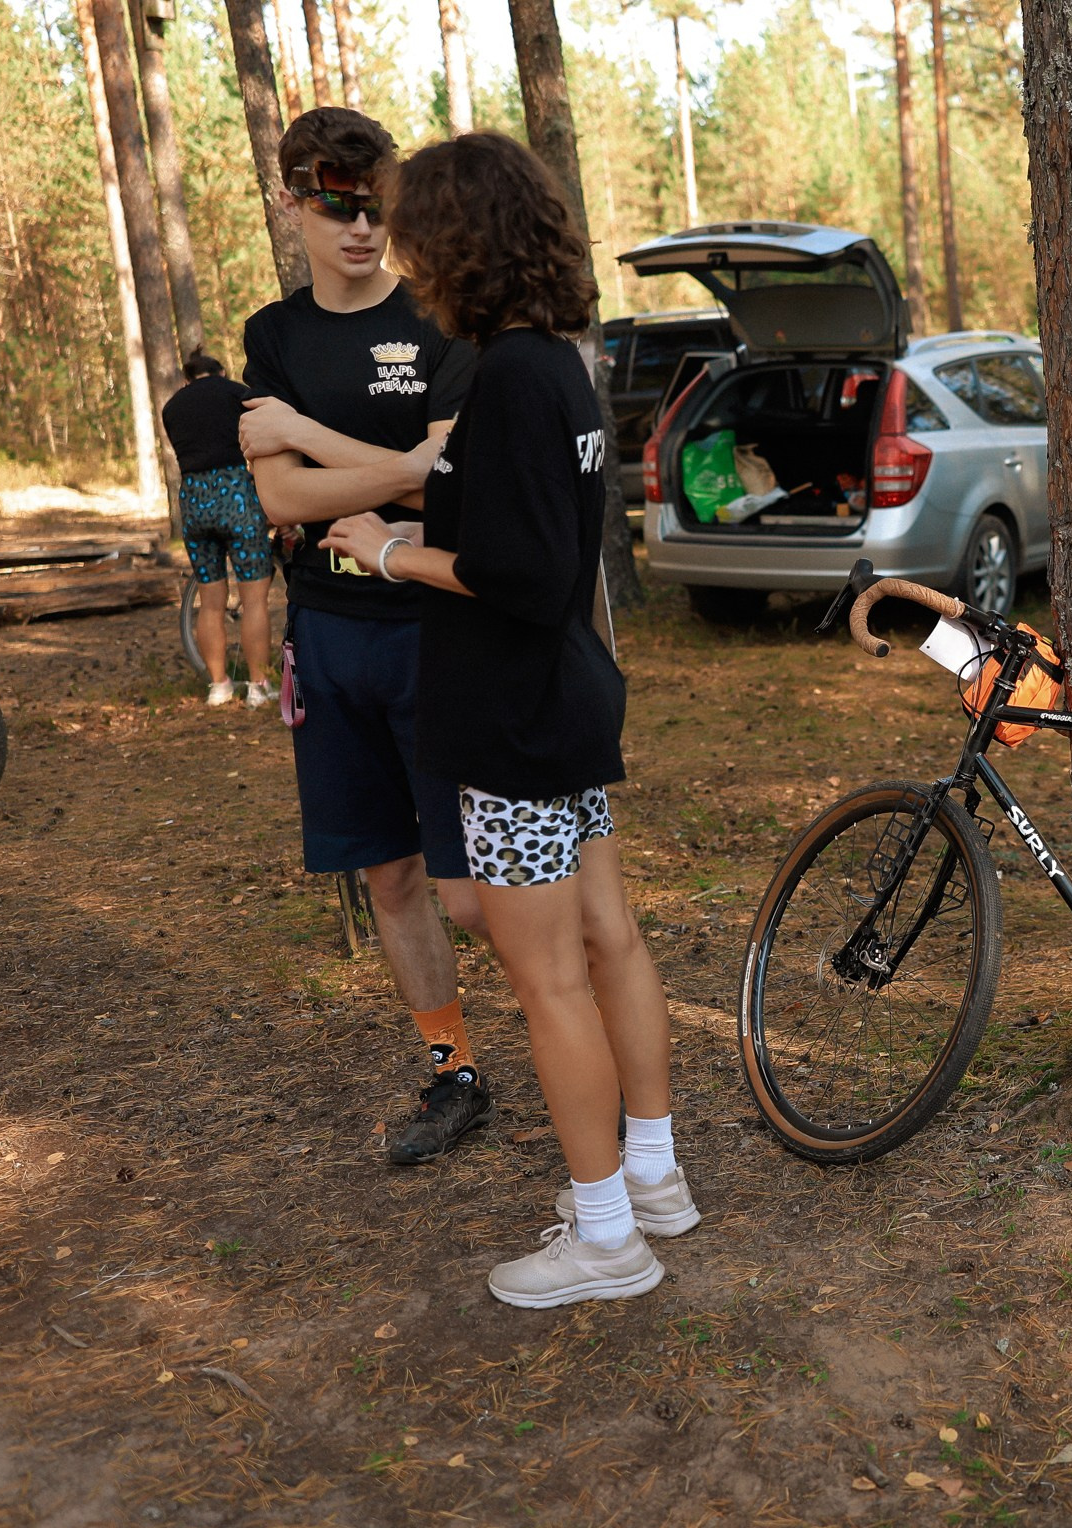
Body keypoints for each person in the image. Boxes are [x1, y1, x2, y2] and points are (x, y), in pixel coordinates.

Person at [322, 131, 692, 1309]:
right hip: (561, 703)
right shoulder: (553, 364)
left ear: (459, 241)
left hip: (518, 723)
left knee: (551, 983)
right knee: (606, 941)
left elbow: (522, 573)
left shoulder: (508, 377)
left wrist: (391, 552)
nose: (403, 251)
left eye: (417, 230)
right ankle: (654, 1173)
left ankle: (605, 1239)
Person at [237, 107, 495, 1165]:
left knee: (479, 891)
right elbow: (280, 502)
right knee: (391, 876)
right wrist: (400, 471)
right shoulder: (276, 336)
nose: (359, 228)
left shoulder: (439, 322)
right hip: (331, 632)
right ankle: (455, 1072)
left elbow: (456, 478)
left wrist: (310, 439)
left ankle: (582, 1038)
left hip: (440, 626)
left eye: (373, 205)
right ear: (292, 202)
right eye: (334, 204)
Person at [161, 351, 276, 708]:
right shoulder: (236, 393)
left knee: (210, 602)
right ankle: (258, 686)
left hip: (194, 501)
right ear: (221, 372)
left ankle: (219, 685)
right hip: (236, 495)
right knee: (254, 599)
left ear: (187, 378)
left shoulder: (172, 407)